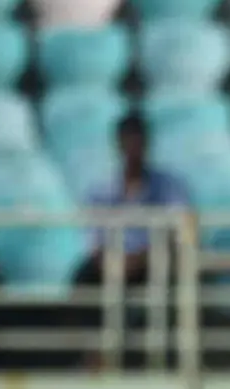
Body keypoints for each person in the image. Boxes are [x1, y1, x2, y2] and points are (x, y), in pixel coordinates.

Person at [70, 112, 189, 368]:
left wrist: (138, 259)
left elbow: (178, 233)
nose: (133, 149)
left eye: (138, 141)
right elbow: (94, 239)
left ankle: (162, 360)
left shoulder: (168, 187)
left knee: (171, 279)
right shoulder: (101, 190)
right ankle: (92, 354)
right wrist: (113, 262)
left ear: (147, 144)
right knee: (82, 280)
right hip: (112, 263)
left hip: (152, 262)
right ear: (119, 145)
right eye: (128, 141)